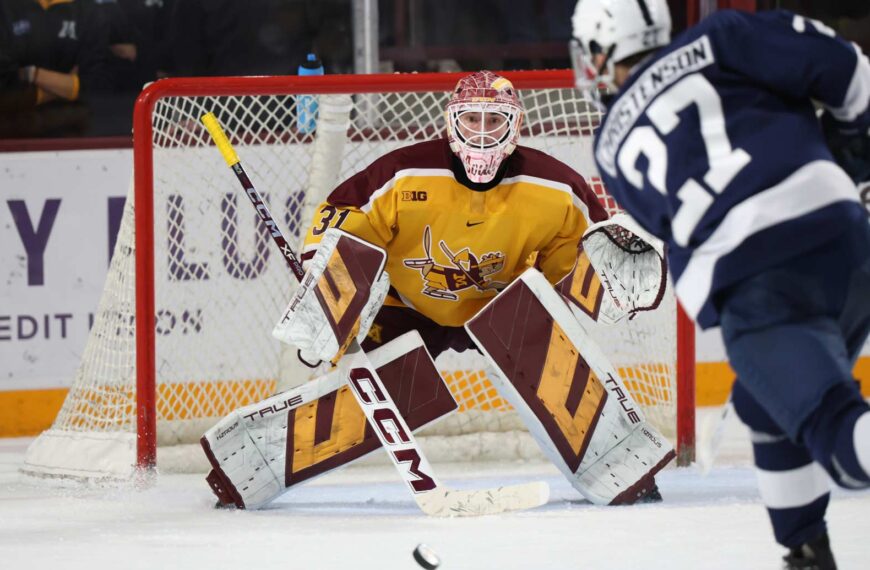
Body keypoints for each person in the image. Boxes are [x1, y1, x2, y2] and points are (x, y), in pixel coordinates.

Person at [202, 70, 673, 510]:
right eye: (472, 118)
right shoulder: (404, 173)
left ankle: (619, 461)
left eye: (495, 120)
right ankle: (247, 465)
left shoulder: (554, 187)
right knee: (382, 389)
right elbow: (343, 216)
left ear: (516, 126)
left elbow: (583, 254)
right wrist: (327, 287)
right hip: (406, 305)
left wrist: (610, 272)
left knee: (545, 347)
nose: (483, 131)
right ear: (450, 123)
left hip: (498, 308)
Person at [571, 1, 870, 568]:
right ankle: (806, 552)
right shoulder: (725, 34)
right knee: (763, 406)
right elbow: (848, 70)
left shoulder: (609, 143)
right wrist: (854, 147)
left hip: (758, 282)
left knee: (844, 447)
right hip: (843, 236)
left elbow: (674, 223)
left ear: (603, 51)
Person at [0, 0, 112, 137]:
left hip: (76, 131)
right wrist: (67, 85)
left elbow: (96, 82)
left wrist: (31, 74)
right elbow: (5, 78)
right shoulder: (6, 8)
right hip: (13, 133)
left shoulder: (90, 11)